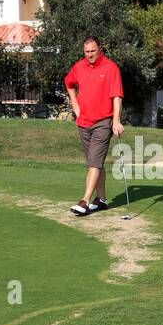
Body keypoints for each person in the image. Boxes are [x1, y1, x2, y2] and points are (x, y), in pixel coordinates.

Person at [63, 37, 125, 216]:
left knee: (94, 162)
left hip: (103, 122)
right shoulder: (79, 66)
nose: (90, 55)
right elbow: (69, 84)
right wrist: (75, 106)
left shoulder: (111, 67)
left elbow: (117, 96)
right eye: (87, 52)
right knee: (95, 163)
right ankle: (102, 199)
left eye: (93, 51)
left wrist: (116, 121)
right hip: (84, 122)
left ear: (100, 49)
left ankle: (85, 201)